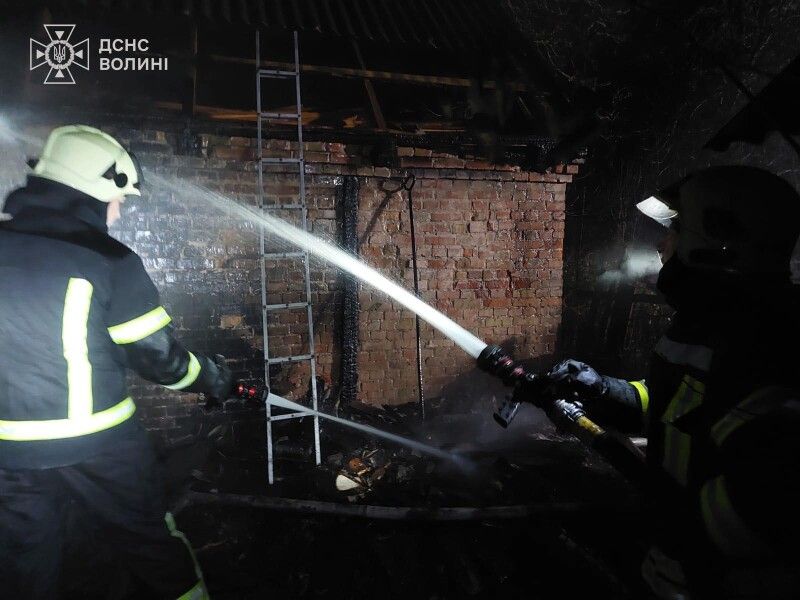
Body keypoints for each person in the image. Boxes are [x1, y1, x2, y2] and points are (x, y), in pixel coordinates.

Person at [0, 125, 233, 599]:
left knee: (23, 565)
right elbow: (160, 361)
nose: (119, 209)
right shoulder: (109, 260)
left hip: (9, 453)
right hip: (101, 446)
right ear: (92, 190)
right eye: (118, 198)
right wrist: (213, 378)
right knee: (151, 545)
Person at [548, 166, 800, 599]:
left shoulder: (766, 347)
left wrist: (675, 520)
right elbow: (672, 406)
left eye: (677, 229)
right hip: (674, 573)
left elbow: (766, 507)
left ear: (719, 244)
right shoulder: (706, 326)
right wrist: (601, 388)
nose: (661, 244)